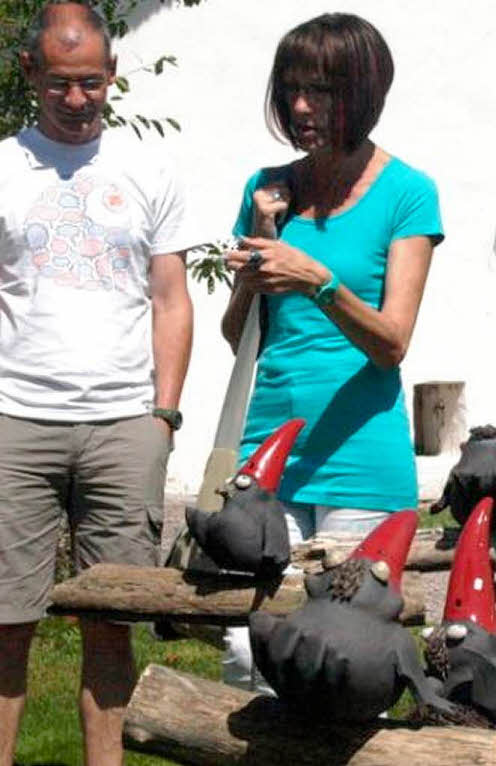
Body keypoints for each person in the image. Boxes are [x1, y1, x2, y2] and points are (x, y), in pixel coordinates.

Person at [219, 13, 442, 691]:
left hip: (360, 461)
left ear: (365, 91)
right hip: (267, 451)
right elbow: (240, 338)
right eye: (291, 89)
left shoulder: (408, 193)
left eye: (321, 90)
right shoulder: (269, 190)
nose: (301, 107)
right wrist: (259, 242)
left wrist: (317, 280)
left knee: (344, 658)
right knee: (247, 649)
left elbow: (392, 343)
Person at [0, 5, 194, 765]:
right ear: (29, 77)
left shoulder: (150, 168)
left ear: (112, 75)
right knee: (6, 619)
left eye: (90, 83)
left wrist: (164, 416)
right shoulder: (3, 166)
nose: (76, 99)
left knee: (111, 617)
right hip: (16, 417)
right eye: (59, 84)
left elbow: (171, 296)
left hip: (123, 422)